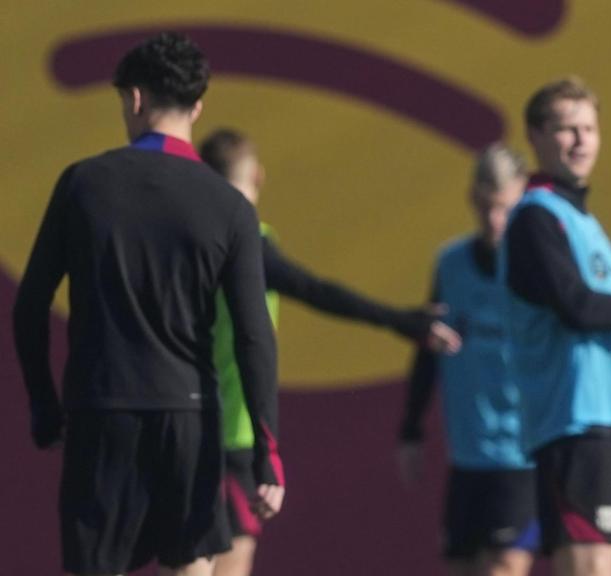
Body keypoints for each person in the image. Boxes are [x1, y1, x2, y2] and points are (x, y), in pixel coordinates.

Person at [12, 33, 283, 576]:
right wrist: (267, 454)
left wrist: (44, 405)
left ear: (134, 98)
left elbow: (31, 304)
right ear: (198, 106)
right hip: (191, 420)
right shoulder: (230, 207)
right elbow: (255, 335)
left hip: (102, 410)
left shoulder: (84, 185)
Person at [197, 127, 462, 576]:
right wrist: (401, 321)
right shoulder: (247, 241)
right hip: (233, 434)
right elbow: (316, 291)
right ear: (258, 177)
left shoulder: (188, 241)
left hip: (188, 425)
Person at [499, 77, 611, 576]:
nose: (580, 140)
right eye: (566, 129)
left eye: (588, 128)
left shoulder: (586, 223)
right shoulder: (534, 219)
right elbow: (579, 307)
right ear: (536, 136)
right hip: (573, 427)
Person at [397, 143, 536, 576]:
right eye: (488, 208)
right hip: (468, 457)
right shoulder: (451, 263)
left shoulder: (538, 263)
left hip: (521, 457)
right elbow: (429, 346)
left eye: (507, 209)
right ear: (473, 199)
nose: (496, 221)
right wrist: (411, 427)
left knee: (503, 567)